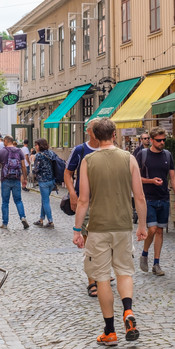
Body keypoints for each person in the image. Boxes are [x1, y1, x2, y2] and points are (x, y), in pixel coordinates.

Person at [72, 119, 147, 346]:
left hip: (98, 227)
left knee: (102, 278)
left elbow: (84, 200)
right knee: (124, 272)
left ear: (94, 135)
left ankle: (110, 331)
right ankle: (128, 310)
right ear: (114, 134)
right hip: (123, 226)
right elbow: (140, 197)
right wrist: (142, 225)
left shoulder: (88, 160)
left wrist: (77, 229)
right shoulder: (129, 158)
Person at [136, 126, 175, 277]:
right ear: (151, 140)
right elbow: (135, 178)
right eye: (159, 140)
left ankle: (156, 263)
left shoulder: (167, 155)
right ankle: (144, 253)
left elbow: (173, 178)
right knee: (152, 229)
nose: (162, 142)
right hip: (147, 198)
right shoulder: (143, 155)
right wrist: (150, 181)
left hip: (163, 197)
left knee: (160, 231)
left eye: (164, 140)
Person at [64, 120, 101, 296]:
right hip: (85, 201)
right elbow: (68, 173)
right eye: (95, 130)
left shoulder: (108, 148)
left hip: (105, 202)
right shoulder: (80, 150)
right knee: (90, 242)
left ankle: (101, 272)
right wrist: (72, 193)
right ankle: (92, 281)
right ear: (89, 132)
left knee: (105, 241)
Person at [0, 135, 30, 230]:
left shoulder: (2, 151)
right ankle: (23, 217)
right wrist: (25, 178)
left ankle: (5, 223)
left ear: (5, 141)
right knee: (18, 200)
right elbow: (23, 166)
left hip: (5, 179)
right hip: (16, 179)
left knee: (5, 202)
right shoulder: (19, 151)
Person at [32, 138, 58, 229]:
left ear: (40, 145)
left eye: (36, 145)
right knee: (44, 200)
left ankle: (50, 221)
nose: (35, 147)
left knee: (45, 201)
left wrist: (32, 168)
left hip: (43, 181)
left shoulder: (38, 155)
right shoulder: (51, 153)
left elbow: (36, 169)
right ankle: (41, 220)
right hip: (52, 181)